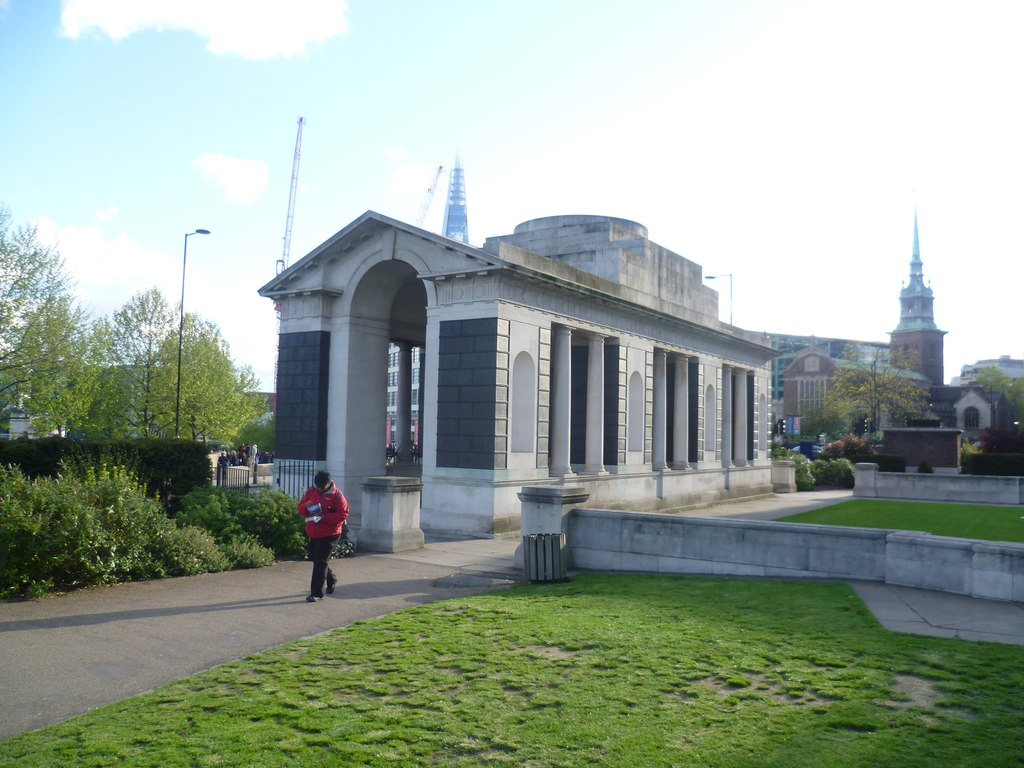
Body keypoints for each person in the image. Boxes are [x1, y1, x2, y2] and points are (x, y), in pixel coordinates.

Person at [297, 470, 350, 602]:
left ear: (328, 484)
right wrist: (306, 506)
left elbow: (343, 515)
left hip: (330, 534)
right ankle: (332, 579)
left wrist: (324, 517)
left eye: (321, 486)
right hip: (313, 531)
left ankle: (316, 593)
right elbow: (300, 509)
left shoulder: (337, 496)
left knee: (320, 562)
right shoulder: (310, 492)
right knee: (316, 559)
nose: (319, 488)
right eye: (317, 486)